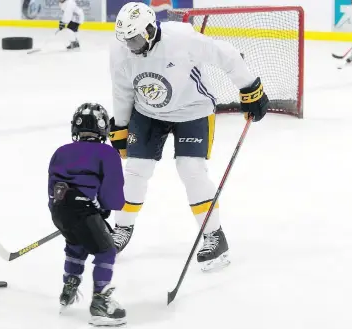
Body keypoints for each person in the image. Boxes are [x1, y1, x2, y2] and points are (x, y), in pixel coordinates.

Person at [108, 2, 269, 271]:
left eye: (134, 39)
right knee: (136, 168)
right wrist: (121, 126)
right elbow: (122, 90)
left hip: (193, 110)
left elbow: (227, 55)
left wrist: (250, 87)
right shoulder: (121, 52)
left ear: (150, 30)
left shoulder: (181, 39)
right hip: (148, 112)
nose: (130, 46)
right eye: (125, 40)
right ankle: (122, 228)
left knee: (190, 169)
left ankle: (213, 235)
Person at [48, 103, 126, 326]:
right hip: (83, 211)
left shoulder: (60, 152)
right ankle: (100, 304)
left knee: (76, 245)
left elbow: (52, 188)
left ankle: (69, 287)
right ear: (103, 128)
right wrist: (103, 208)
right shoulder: (107, 153)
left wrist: (62, 214)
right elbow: (112, 194)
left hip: (59, 211)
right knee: (106, 251)